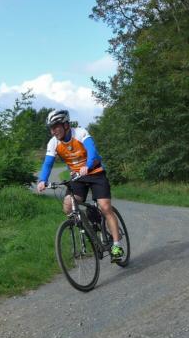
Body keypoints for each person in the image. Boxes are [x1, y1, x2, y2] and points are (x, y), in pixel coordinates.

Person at [36, 109, 124, 261]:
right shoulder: (54, 143)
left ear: (66, 125)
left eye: (56, 126)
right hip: (77, 177)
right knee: (68, 206)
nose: (53, 131)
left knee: (104, 207)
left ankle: (116, 245)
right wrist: (42, 180)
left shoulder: (80, 133)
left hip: (95, 173)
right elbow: (48, 163)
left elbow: (92, 151)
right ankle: (90, 229)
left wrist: (88, 166)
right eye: (51, 128)